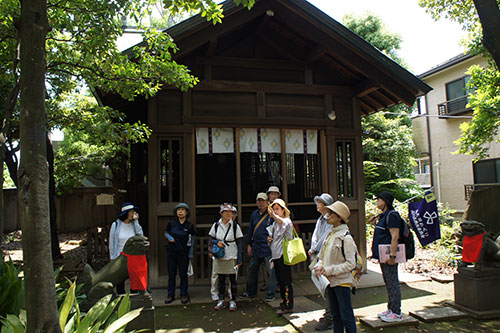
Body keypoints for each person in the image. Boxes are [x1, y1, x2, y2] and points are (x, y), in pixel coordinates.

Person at [314, 201, 357, 333]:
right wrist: (319, 266)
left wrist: (328, 270)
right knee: (336, 315)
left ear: (339, 217)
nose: (328, 215)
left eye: (331, 213)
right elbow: (322, 256)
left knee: (346, 315)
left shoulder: (346, 237)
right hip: (330, 281)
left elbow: (351, 264)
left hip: (342, 282)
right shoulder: (330, 234)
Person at [369, 191, 404, 322]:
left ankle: (397, 312)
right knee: (388, 282)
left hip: (389, 256)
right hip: (383, 255)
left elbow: (395, 236)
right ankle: (391, 308)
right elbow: (384, 233)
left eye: (379, 199)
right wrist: (375, 224)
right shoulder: (384, 216)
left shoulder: (392, 215)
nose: (377, 201)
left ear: (385, 201)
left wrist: (393, 256)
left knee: (393, 282)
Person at [240, 193, 276, 302]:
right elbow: (251, 229)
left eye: (263, 201)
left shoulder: (271, 214)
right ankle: (251, 291)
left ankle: (270, 294)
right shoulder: (254, 214)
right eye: (259, 201)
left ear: (267, 202)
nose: (261, 203)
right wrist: (249, 244)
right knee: (252, 270)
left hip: (267, 248)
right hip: (256, 246)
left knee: (270, 272)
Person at [208, 203, 243, 311]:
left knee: (233, 279)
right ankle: (221, 299)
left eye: (230, 212)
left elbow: (240, 242)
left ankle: (233, 300)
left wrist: (240, 258)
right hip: (220, 254)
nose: (228, 214)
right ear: (221, 213)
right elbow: (211, 239)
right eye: (226, 212)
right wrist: (217, 242)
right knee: (221, 279)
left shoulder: (235, 226)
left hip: (232, 254)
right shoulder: (216, 225)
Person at [309, 193, 334, 331]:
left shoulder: (330, 219)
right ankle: (331, 312)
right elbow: (315, 235)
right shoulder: (320, 219)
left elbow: (325, 237)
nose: (317, 204)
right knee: (322, 282)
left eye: (320, 202)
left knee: (328, 284)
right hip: (319, 254)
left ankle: (331, 314)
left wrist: (314, 249)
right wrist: (313, 249)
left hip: (327, 256)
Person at [109, 202, 144, 294]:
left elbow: (141, 236)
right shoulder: (115, 225)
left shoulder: (134, 224)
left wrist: (136, 222)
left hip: (133, 257)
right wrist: (112, 257)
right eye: (132, 211)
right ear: (127, 213)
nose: (133, 213)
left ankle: (134, 298)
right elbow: (111, 242)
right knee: (120, 281)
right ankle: (121, 301)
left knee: (134, 280)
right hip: (120, 257)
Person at [164, 203, 195, 305]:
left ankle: (184, 294)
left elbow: (192, 240)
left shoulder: (189, 226)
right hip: (171, 253)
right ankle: (170, 294)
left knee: (183, 275)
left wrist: (190, 254)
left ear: (186, 212)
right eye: (178, 210)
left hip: (183, 253)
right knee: (171, 274)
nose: (180, 212)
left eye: (182, 210)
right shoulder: (172, 223)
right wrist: (169, 238)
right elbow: (166, 232)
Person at [268, 198, 294, 315]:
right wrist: (269, 240)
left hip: (284, 255)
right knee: (280, 281)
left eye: (277, 209)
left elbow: (282, 223)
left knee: (286, 281)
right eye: (273, 209)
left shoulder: (287, 221)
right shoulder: (274, 223)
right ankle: (284, 302)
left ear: (283, 210)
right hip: (276, 255)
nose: (275, 211)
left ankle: (289, 305)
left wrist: (274, 216)